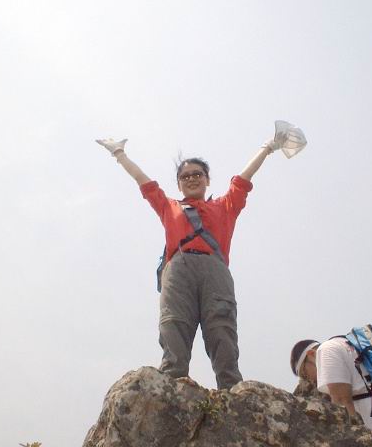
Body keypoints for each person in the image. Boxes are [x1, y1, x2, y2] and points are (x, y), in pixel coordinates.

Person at [96, 133, 286, 389]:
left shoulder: (225, 206)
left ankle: (231, 390)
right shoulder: (169, 206)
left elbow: (243, 179)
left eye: (197, 174)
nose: (192, 179)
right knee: (173, 324)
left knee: (221, 328)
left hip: (215, 270)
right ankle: (171, 386)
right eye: (185, 176)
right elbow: (144, 182)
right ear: (179, 184)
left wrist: (267, 147)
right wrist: (119, 154)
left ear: (207, 179)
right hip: (178, 269)